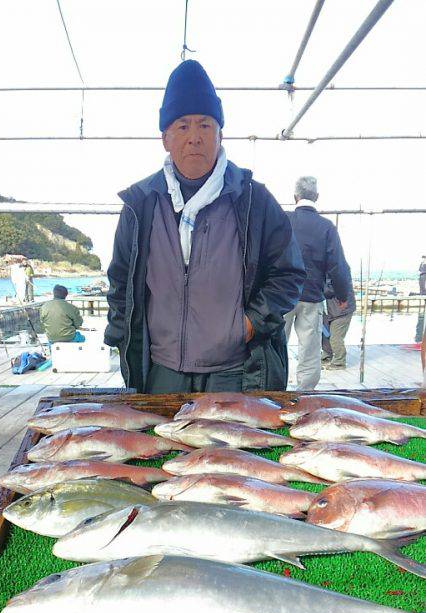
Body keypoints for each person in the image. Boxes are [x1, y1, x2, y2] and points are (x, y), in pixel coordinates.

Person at [104, 59, 305, 394]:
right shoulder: (141, 204)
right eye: (182, 126)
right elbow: (121, 280)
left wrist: (249, 324)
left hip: (235, 373)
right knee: (161, 448)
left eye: (205, 125)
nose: (194, 138)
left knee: (231, 449)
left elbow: (289, 273)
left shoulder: (255, 200)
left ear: (220, 134)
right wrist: (123, 335)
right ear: (165, 138)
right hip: (161, 371)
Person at [284, 176, 351, 391]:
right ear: (317, 197)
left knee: (275, 346)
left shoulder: (283, 220)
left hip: (281, 296)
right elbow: (338, 266)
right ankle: (304, 394)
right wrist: (342, 296)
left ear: (295, 197)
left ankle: (275, 390)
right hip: (311, 296)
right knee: (310, 349)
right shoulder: (326, 227)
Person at [322, 276, 356, 370]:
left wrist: (314, 285)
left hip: (342, 312)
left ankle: (339, 362)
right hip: (329, 312)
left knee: (335, 338)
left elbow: (328, 290)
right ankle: (327, 356)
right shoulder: (324, 271)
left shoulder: (336, 272)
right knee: (325, 335)